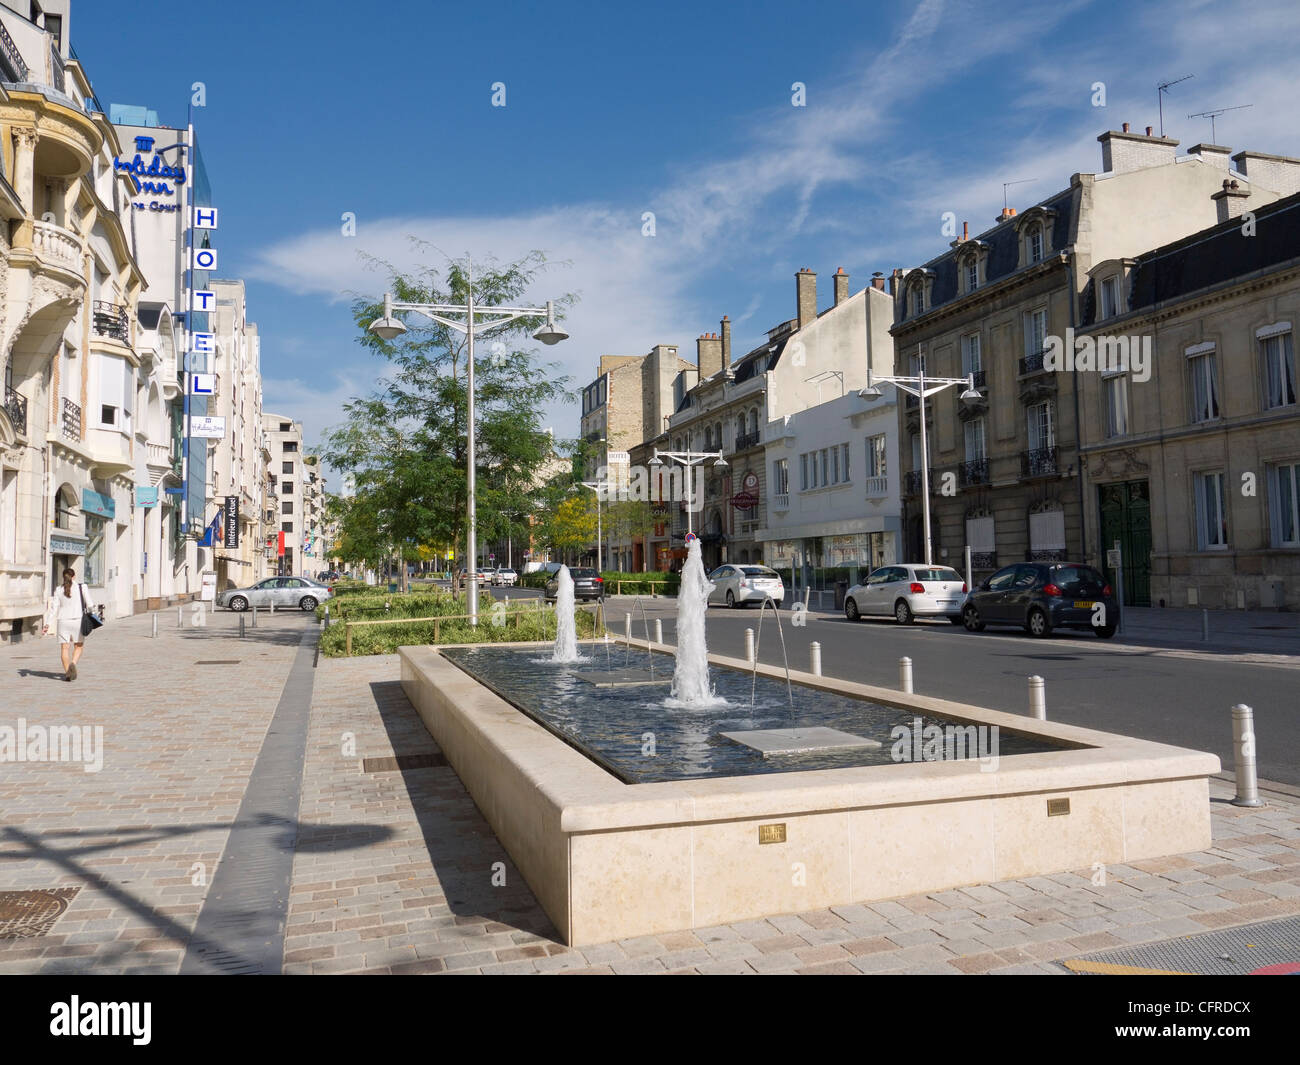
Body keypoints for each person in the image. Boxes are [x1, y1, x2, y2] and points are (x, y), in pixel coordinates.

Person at [42, 567, 96, 681]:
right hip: (77, 620)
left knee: (64, 648)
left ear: (63, 577)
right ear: (74, 576)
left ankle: (67, 673)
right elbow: (90, 604)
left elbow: (53, 609)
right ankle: (73, 663)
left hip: (62, 621)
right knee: (78, 646)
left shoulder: (58, 589)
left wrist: (47, 624)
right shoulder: (82, 587)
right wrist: (94, 614)